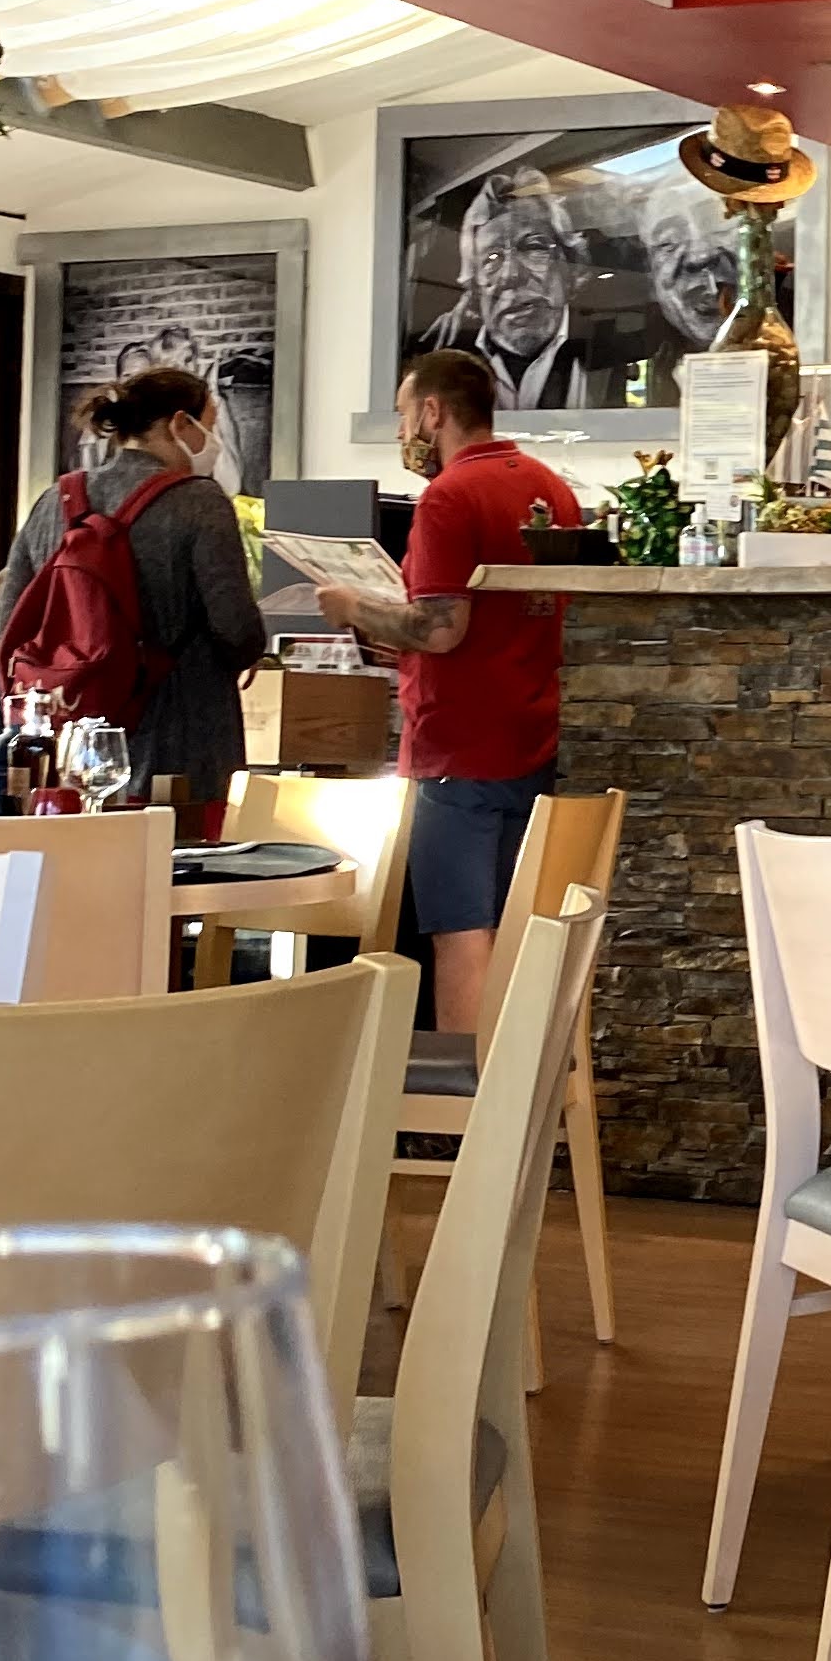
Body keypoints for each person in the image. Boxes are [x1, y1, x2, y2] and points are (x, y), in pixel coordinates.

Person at [317, 350, 579, 1036]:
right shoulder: (551, 487)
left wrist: (352, 606)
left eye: (405, 414)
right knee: (521, 930)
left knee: (461, 932)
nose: (404, 431)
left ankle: (465, 1096)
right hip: (537, 737)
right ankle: (523, 1084)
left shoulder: (448, 497)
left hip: (458, 748)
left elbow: (440, 629)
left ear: (432, 411)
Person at [0, 365, 267, 805]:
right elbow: (236, 629)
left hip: (73, 737)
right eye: (211, 426)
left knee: (86, 844)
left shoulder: (55, 500)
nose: (214, 442)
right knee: (182, 845)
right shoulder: (199, 500)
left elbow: (8, 620)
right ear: (180, 423)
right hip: (180, 737)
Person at [416, 176, 598, 410]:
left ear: (573, 270)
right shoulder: (441, 355)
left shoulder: (605, 344)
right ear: (475, 287)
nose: (510, 274)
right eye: (491, 258)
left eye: (534, 247)